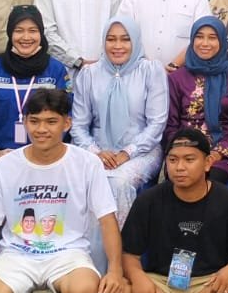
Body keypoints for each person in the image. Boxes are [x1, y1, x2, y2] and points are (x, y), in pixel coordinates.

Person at [0, 87, 126, 293]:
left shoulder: (87, 163)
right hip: (16, 253)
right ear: (25, 122)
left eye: (51, 122)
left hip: (67, 253)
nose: (41, 129)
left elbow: (108, 220)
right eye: (34, 121)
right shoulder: (4, 166)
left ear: (67, 124)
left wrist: (115, 271)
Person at [105, 128, 228, 293]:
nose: (179, 167)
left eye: (189, 160)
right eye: (173, 160)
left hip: (208, 285)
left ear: (207, 163)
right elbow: (129, 254)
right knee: (110, 291)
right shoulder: (149, 200)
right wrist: (139, 280)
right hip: (160, 285)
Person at [71, 15, 168, 223]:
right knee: (83, 178)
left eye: (125, 39)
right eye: (111, 39)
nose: (117, 46)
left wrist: (127, 152)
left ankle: (121, 240)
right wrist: (95, 152)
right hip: (97, 151)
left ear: (135, 40)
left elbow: (157, 123)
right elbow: (78, 126)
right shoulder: (89, 74)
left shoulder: (150, 71)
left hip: (141, 150)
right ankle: (88, 241)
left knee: (119, 181)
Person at [0, 5, 68, 159]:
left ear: (41, 33)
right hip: (0, 158)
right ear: (10, 33)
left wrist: (41, 153)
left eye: (33, 31)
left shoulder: (56, 70)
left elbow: (65, 118)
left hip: (45, 157)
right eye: (19, 30)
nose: (26, 37)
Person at [165, 16, 228, 184]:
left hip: (223, 155)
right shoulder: (176, 78)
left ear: (222, 41)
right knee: (180, 177)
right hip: (183, 151)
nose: (205, 43)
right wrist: (185, 151)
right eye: (199, 37)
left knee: (209, 181)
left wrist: (218, 153)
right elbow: (170, 126)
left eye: (212, 37)